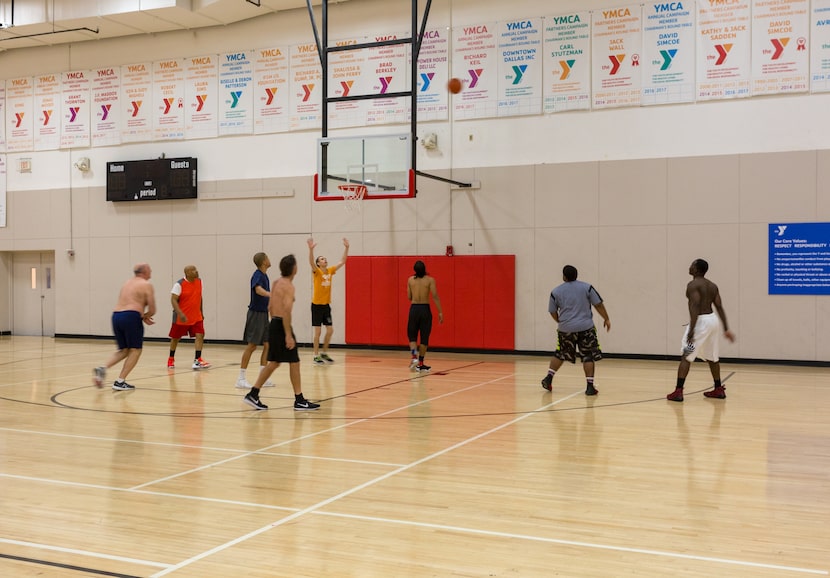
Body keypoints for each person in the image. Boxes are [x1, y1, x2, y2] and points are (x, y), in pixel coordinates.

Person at [243, 254, 320, 411]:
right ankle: (299, 400)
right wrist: (288, 334)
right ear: (294, 269)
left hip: (274, 323)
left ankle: (254, 393)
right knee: (293, 362)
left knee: (275, 363)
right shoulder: (289, 287)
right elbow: (286, 311)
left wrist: (275, 325)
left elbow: (270, 306)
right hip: (282, 326)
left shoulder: (276, 282)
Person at [667, 259, 736, 402]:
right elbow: (719, 307)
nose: (689, 266)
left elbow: (695, 306)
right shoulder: (713, 286)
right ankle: (718, 389)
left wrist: (691, 330)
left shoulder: (693, 285)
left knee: (687, 354)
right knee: (712, 357)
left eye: (692, 265)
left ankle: (678, 391)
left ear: (697, 270)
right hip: (713, 321)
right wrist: (726, 328)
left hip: (700, 322)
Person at [541, 265, 610, 396]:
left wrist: (561, 322)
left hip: (565, 328)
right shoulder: (587, 287)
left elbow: (552, 311)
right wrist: (606, 318)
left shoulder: (556, 291)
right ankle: (590, 386)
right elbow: (598, 304)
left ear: (564, 276)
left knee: (560, 353)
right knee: (588, 356)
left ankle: (548, 378)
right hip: (586, 327)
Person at [93, 263, 157, 390]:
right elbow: (152, 308)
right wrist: (145, 316)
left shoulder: (127, 283)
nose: (151, 272)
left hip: (116, 316)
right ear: (144, 272)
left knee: (124, 350)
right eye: (150, 270)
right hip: (131, 316)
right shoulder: (146, 285)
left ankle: (102, 368)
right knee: (136, 350)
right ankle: (120, 381)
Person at [308, 237, 349, 365]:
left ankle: (324, 353)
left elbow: (342, 261)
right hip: (316, 306)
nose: (324, 260)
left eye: (324, 258)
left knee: (330, 330)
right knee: (318, 332)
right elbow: (311, 263)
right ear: (319, 263)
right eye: (321, 259)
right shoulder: (317, 272)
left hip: (326, 306)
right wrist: (311, 250)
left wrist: (347, 247)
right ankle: (315, 356)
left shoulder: (330, 270)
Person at [236, 252, 275, 389]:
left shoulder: (265, 275)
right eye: (268, 258)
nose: (270, 260)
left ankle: (262, 377)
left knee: (267, 344)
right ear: (264, 261)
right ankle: (240, 379)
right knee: (252, 345)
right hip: (255, 314)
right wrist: (271, 294)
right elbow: (258, 290)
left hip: (263, 314)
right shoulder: (257, 275)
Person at [167, 265, 211, 370]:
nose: (196, 271)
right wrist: (180, 313)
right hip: (182, 316)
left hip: (196, 315)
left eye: (196, 269)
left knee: (200, 335)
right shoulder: (179, 284)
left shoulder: (199, 281)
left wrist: (201, 312)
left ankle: (197, 360)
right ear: (187, 273)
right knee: (175, 338)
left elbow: (200, 297)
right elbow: (173, 300)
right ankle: (171, 358)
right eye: (193, 270)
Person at [407, 260, 443, 372]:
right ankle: (421, 362)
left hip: (414, 309)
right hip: (425, 309)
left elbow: (409, 296)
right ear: (425, 269)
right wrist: (440, 312)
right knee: (424, 337)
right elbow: (435, 296)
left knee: (412, 335)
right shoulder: (430, 280)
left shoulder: (410, 280)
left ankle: (414, 357)